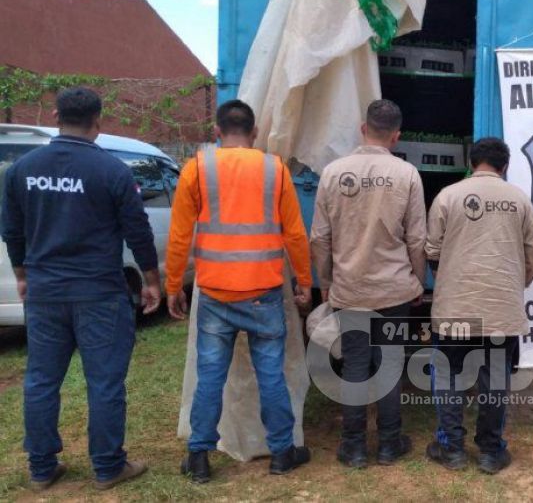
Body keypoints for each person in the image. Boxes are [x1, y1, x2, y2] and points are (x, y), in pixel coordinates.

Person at [1, 87, 160, 491]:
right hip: (99, 294)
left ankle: (41, 468)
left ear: (55, 115)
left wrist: (22, 272)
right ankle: (108, 467)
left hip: (45, 293)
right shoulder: (111, 170)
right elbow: (138, 231)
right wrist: (152, 280)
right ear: (98, 120)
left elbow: (12, 229)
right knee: (104, 382)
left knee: (40, 380)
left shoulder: (22, 170)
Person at [165, 100, 313, 482]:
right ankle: (282, 453)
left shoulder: (197, 168)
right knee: (271, 376)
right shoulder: (274, 170)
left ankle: (198, 457)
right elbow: (295, 234)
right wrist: (304, 281)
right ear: (254, 133)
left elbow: (180, 235)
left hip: (215, 293)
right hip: (264, 291)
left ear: (217, 131)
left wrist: (172, 286)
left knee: (211, 377)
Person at [310, 99, 426, 468]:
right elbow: (417, 239)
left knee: (357, 363)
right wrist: (418, 281)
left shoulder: (333, 172)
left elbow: (319, 237)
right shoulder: (407, 174)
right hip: (394, 288)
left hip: (350, 287)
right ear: (396, 136)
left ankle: (354, 446)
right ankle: (390, 444)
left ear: (363, 128)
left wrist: (325, 281)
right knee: (390, 362)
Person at [424, 137, 533, 474]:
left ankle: (451, 449)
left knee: (448, 376)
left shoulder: (448, 196)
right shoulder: (519, 200)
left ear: (471, 162)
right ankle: (490, 452)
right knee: (495, 379)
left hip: (455, 309)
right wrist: (514, 285)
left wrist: (449, 282)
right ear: (504, 166)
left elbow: (432, 250)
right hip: (500, 309)